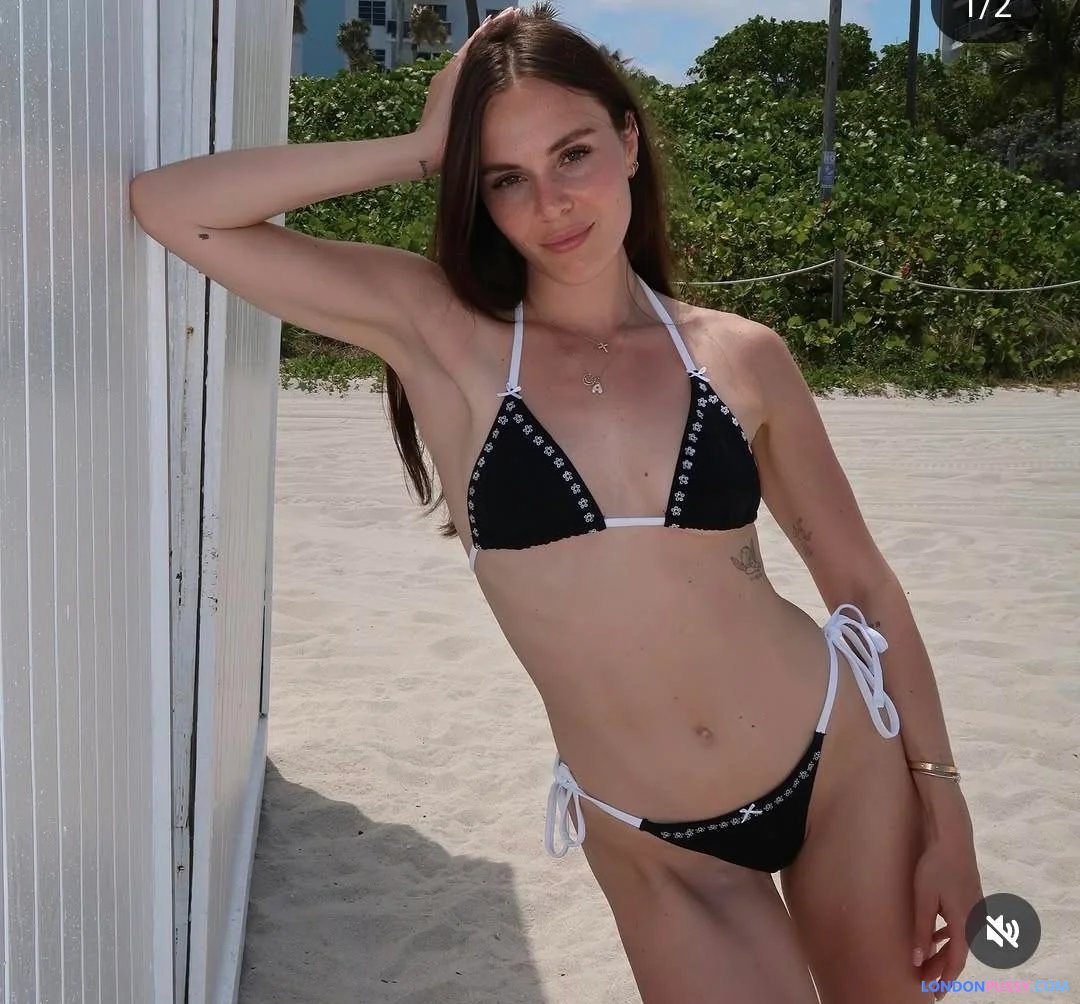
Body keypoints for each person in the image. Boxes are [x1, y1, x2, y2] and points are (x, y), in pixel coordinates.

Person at [130, 7, 984, 1001]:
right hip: (659, 844)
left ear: (629, 141)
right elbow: (174, 208)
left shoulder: (741, 355)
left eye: (573, 153)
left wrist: (948, 813)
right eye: (506, 177)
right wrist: (422, 147)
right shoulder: (446, 338)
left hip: (842, 764)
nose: (552, 202)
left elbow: (861, 583)